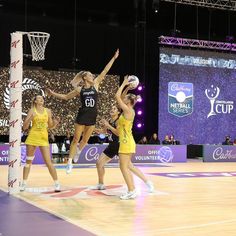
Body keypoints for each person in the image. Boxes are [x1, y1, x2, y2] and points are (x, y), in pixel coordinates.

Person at [46, 49, 119, 174]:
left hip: (92, 115)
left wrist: (113, 58)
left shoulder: (95, 84)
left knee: (85, 140)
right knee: (75, 139)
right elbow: (65, 97)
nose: (93, 76)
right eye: (90, 75)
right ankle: (69, 163)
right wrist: (52, 93)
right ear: (85, 77)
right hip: (82, 114)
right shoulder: (79, 90)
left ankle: (78, 152)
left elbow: (105, 71)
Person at [92, 104, 154, 193]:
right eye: (111, 108)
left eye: (114, 109)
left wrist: (108, 126)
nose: (112, 110)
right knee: (99, 163)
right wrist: (92, 129)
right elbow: (103, 132)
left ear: (118, 112)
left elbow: (118, 133)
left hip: (121, 146)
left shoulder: (118, 121)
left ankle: (148, 182)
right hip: (112, 146)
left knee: (130, 166)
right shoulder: (109, 121)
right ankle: (101, 184)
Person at [115, 76, 154, 200]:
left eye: (125, 98)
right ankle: (147, 182)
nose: (123, 98)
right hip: (127, 141)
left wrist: (124, 84)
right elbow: (121, 97)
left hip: (126, 142)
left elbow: (117, 96)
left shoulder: (128, 110)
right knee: (129, 166)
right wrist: (126, 87)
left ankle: (132, 190)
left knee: (123, 167)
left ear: (128, 102)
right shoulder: (128, 109)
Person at [20, 95, 61, 192]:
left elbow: (50, 126)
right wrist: (29, 119)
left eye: (42, 98)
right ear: (35, 101)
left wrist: (55, 123)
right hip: (32, 138)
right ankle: (23, 184)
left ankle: (57, 183)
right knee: (28, 162)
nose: (41, 99)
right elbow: (24, 127)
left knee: (49, 163)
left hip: (43, 139)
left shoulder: (48, 111)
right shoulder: (32, 110)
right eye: (38, 98)